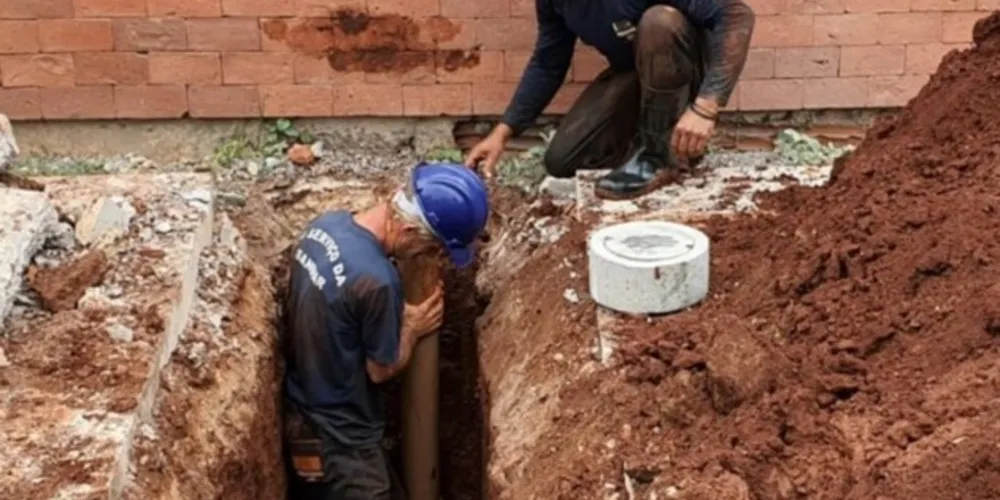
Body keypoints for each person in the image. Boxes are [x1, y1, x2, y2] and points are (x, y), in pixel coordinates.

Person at [281, 162, 490, 500]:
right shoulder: (378, 281)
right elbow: (381, 370)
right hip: (344, 443)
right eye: (432, 248)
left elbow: (339, 304)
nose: (432, 257)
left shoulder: (325, 225)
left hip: (304, 410)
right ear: (408, 231)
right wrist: (411, 326)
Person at [464, 0, 755, 200]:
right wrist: (503, 133)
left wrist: (705, 108)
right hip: (635, 74)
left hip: (686, 75)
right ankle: (664, 142)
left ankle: (660, 157)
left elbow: (735, 15)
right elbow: (548, 62)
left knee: (660, 22)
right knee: (563, 160)